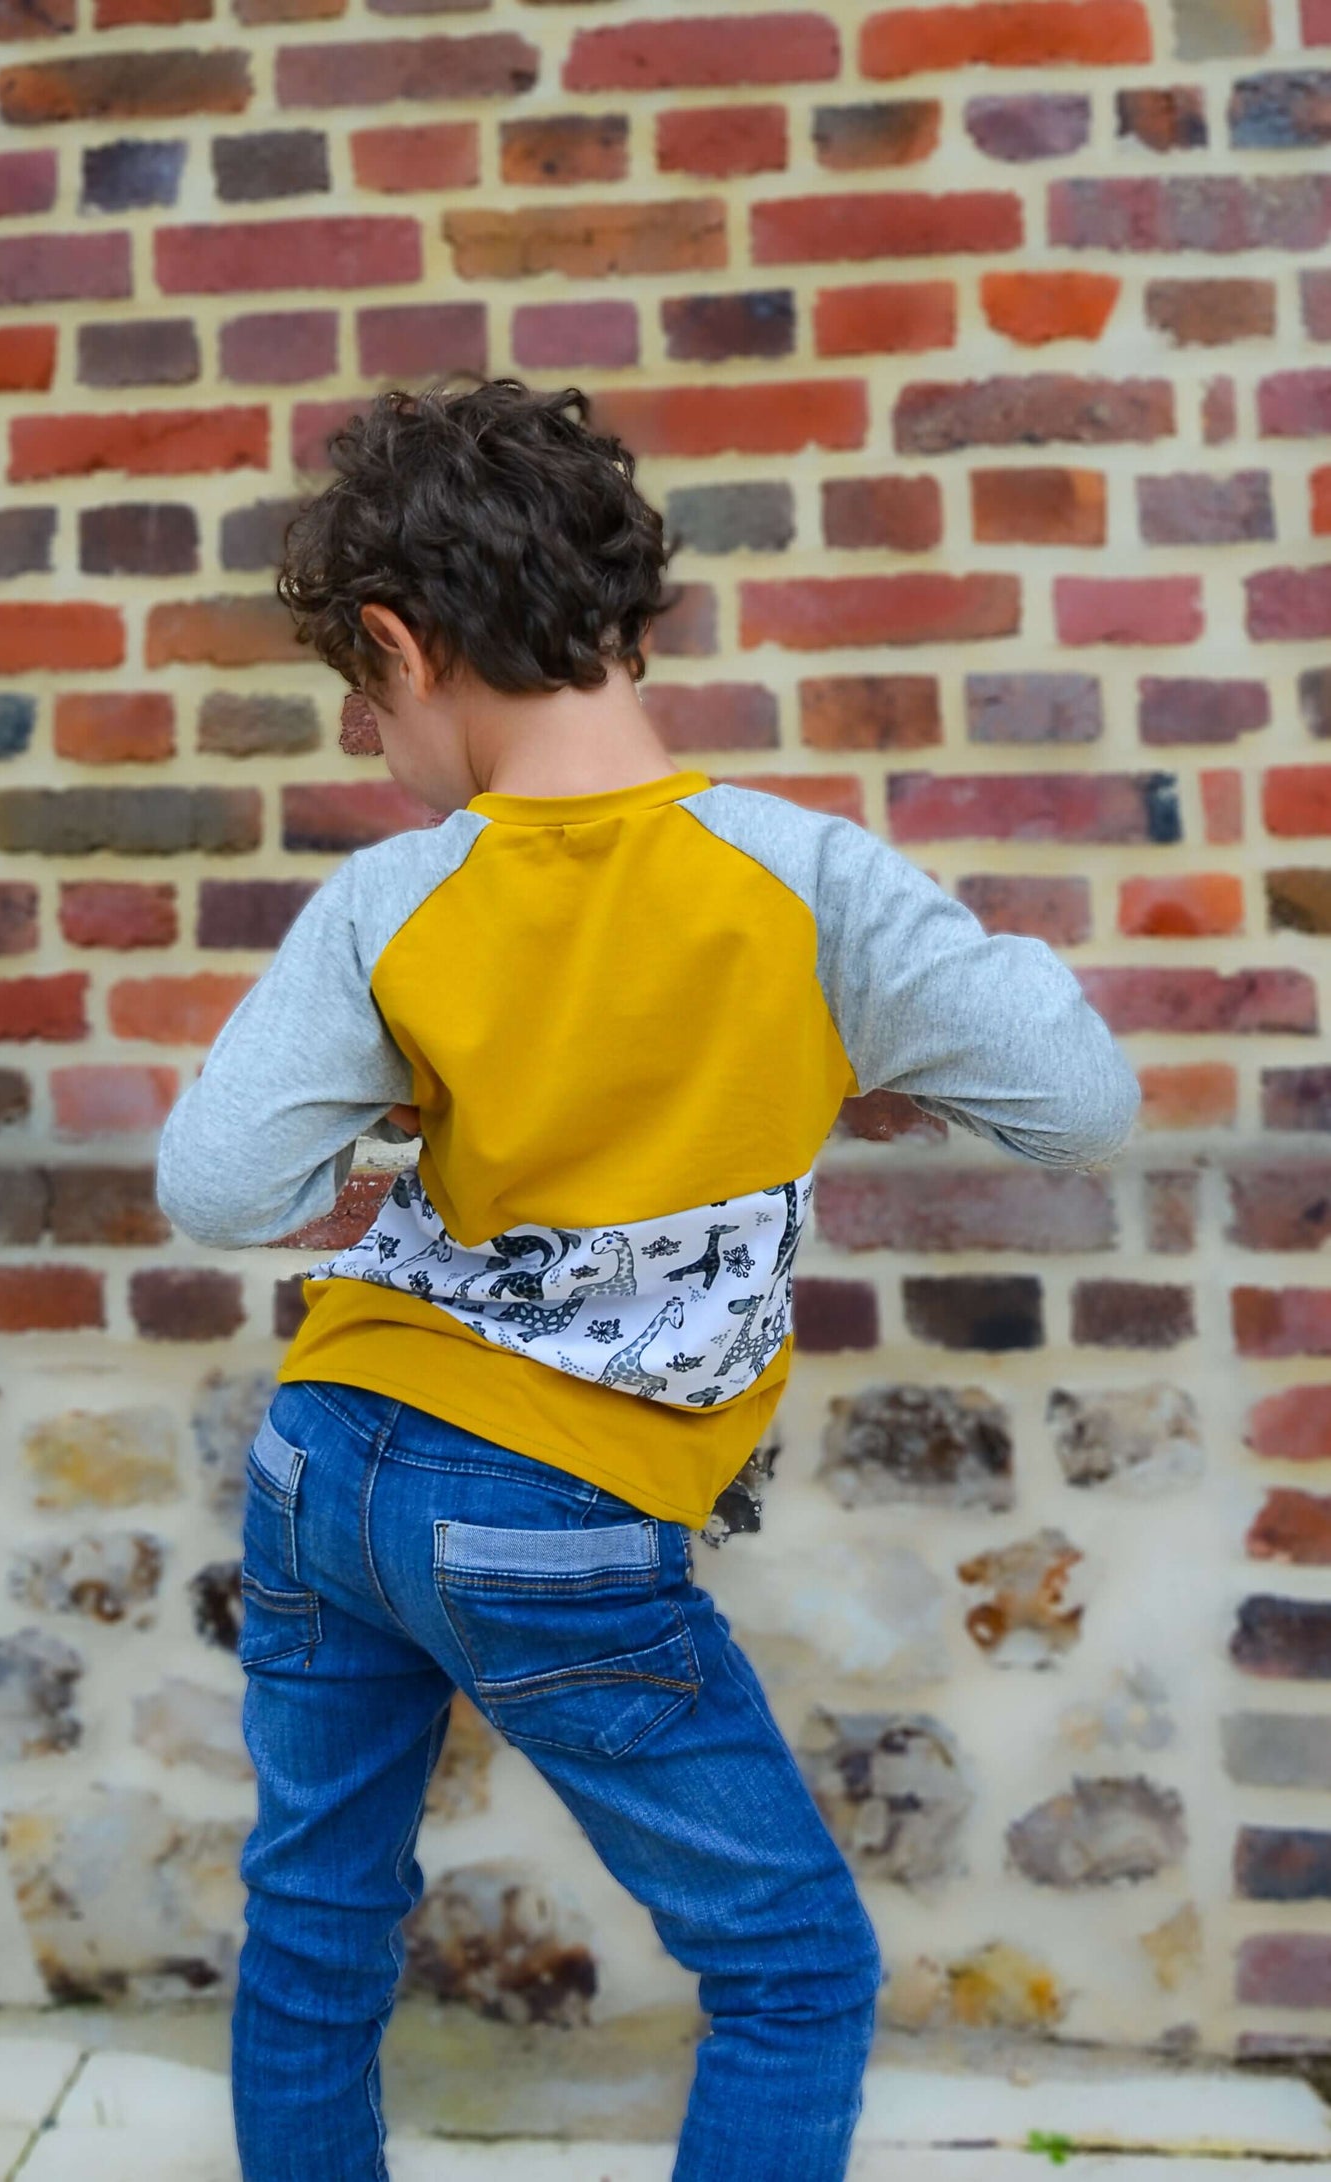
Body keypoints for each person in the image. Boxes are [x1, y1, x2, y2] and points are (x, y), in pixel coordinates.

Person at [156, 378, 1139, 2182]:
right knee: (788, 1968)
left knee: (314, 1928)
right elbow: (1075, 1103)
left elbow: (219, 1186)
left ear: (400, 642)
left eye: (363, 703)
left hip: (325, 1464)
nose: (374, 742)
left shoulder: (392, 899)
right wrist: (862, 1029)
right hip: (556, 1508)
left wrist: (391, 1125)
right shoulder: (803, 880)